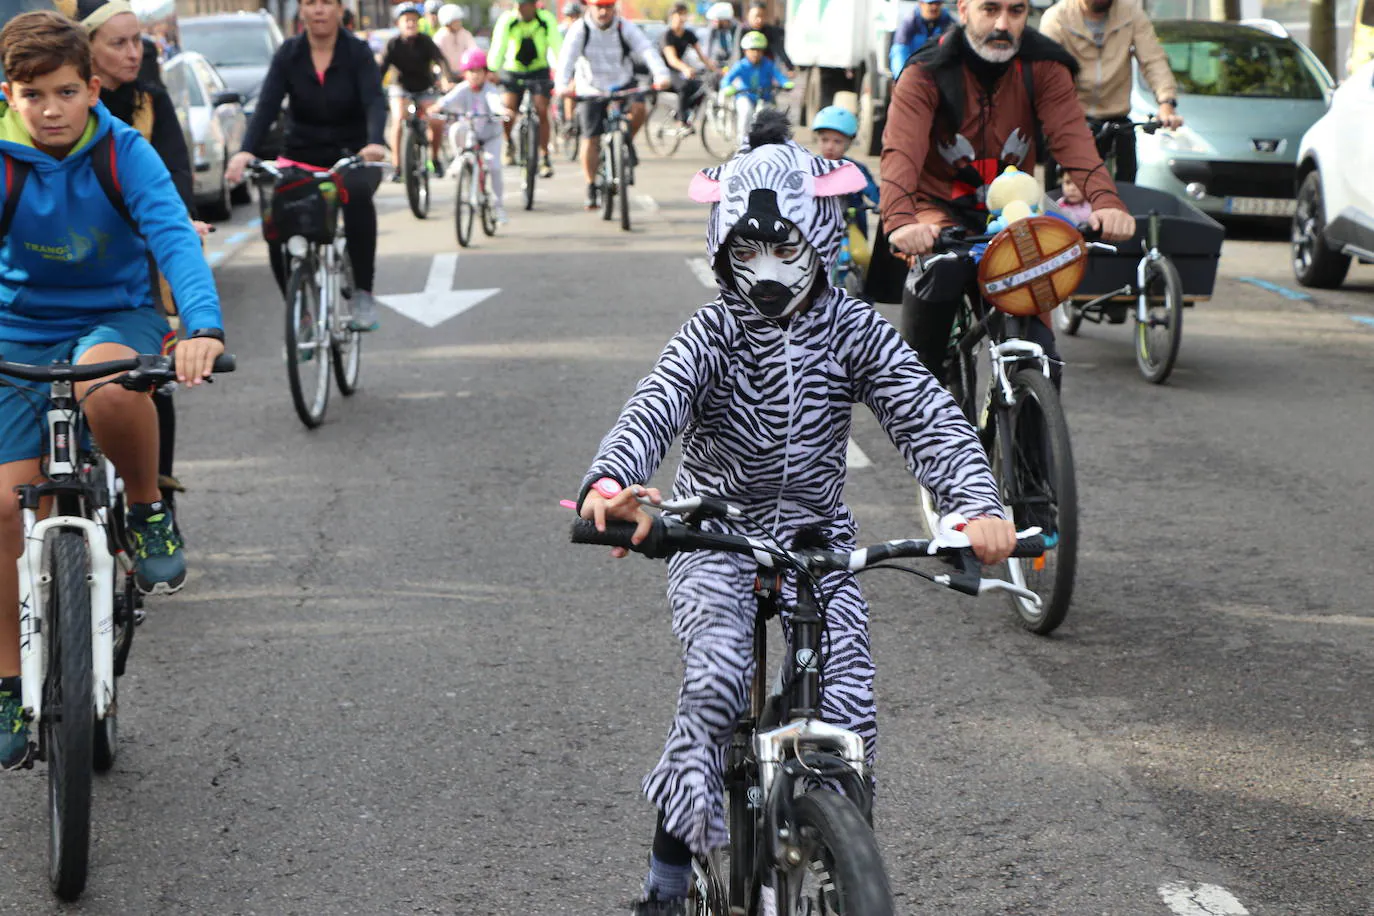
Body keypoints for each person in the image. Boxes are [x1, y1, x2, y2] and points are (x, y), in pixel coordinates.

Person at [575, 110, 1015, 916]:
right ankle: (666, 885)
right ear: (721, 247)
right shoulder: (712, 331)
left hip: (819, 546)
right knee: (714, 682)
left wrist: (977, 504)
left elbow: (925, 412)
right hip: (712, 534)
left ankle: (839, 868)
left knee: (852, 717)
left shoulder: (851, 328)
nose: (770, 267)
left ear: (818, 236)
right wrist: (612, 485)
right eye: (747, 249)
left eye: (787, 246)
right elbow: (655, 407)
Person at [0, 10, 226, 769]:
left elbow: (171, 237)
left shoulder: (125, 154)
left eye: (66, 91)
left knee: (110, 385)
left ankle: (144, 506)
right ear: (10, 95)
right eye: (33, 95)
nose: (52, 109)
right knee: (1, 509)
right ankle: (5, 678)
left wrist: (201, 326)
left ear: (93, 88)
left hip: (113, 315)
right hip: (17, 331)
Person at [879, 0, 1136, 387]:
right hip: (937, 209)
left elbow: (1073, 140)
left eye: (1016, 11)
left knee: (1042, 354)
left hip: (1012, 212)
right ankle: (922, 399)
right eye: (990, 9)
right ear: (964, 10)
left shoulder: (1045, 66)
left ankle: (1032, 424)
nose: (1003, 23)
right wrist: (899, 220)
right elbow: (901, 151)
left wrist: (1106, 201)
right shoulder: (925, 73)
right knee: (940, 275)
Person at [62, 0, 215, 522]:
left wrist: (184, 221)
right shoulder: (41, 125)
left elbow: (174, 178)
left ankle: (153, 500)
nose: (133, 54)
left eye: (137, 43)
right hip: (63, 268)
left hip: (139, 261)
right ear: (87, 53)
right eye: (118, 43)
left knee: (146, 378)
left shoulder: (149, 104)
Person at [225, 0, 390, 331]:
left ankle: (362, 293)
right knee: (275, 221)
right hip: (300, 154)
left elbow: (374, 99)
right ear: (300, 10)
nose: (319, 10)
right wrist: (245, 151)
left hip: (351, 155)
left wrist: (374, 141)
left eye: (327, 2)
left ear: (340, 8)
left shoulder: (356, 52)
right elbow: (268, 104)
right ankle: (299, 307)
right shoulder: (289, 53)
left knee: (357, 195)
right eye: (310, 3)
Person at [1038, 0, 1181, 184]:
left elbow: (1153, 60)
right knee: (1057, 192)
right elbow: (1048, 69)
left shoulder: (1131, 14)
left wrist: (1166, 103)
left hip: (1116, 118)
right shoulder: (1057, 17)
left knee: (1127, 185)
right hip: (1072, 116)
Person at [555, 0, 670, 211]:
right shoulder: (580, 29)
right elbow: (566, 58)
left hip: (622, 84)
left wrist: (661, 74)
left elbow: (646, 49)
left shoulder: (624, 26)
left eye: (608, 7)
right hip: (591, 88)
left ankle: (625, 142)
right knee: (590, 138)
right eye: (598, 7)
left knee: (639, 109)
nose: (603, 12)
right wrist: (562, 85)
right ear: (589, 7)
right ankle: (591, 185)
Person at [488, 0, 562, 177]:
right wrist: (491, 70)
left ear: (534, 5)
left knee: (542, 109)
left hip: (538, 70)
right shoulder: (507, 20)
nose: (521, 9)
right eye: (519, 6)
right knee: (508, 109)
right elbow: (498, 46)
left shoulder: (545, 19)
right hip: (514, 70)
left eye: (525, 5)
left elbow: (557, 45)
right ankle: (509, 144)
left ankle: (544, 156)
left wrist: (562, 71)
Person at [380, 2, 453, 179]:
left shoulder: (426, 41)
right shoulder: (392, 44)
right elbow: (380, 69)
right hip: (401, 89)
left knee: (436, 121)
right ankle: (397, 167)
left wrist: (445, 80)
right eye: (407, 20)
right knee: (398, 120)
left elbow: (441, 61)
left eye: (414, 20)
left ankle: (434, 159)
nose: (411, 24)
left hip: (424, 88)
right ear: (398, 23)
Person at [435, 48, 508, 223]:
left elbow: (495, 103)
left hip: (491, 136)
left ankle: (498, 208)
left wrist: (502, 111)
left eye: (479, 71)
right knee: (455, 129)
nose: (475, 76)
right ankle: (459, 158)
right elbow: (446, 101)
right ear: (465, 74)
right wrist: (436, 107)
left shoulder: (490, 90)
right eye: (471, 72)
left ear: (485, 73)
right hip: (471, 135)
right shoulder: (463, 89)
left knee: (494, 166)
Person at [811, 105, 879, 238]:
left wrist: (882, 204)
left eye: (837, 141)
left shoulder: (855, 169)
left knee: (861, 257)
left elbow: (872, 191)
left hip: (850, 226)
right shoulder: (811, 167)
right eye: (825, 140)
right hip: (818, 228)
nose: (830, 147)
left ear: (849, 142)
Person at [721, 30, 791, 145]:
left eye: (759, 50)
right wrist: (728, 87)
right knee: (746, 113)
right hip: (745, 96)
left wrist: (785, 83)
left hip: (765, 97)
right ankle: (742, 145)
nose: (755, 53)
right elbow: (726, 80)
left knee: (772, 120)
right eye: (752, 49)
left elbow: (779, 76)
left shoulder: (768, 64)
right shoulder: (741, 65)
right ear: (745, 51)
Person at [660, 2, 717, 128]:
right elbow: (672, 59)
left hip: (680, 69)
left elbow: (702, 56)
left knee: (701, 87)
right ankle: (680, 120)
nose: (682, 18)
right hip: (666, 70)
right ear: (672, 16)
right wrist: (685, 68)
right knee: (684, 86)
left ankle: (686, 113)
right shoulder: (667, 35)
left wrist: (714, 68)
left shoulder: (688, 34)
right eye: (679, 14)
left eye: (684, 14)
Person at [890, 0, 956, 79]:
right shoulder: (909, 23)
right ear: (921, 4)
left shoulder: (949, 23)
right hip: (914, 73)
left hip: (939, 74)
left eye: (937, 3)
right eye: (930, 3)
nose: (934, 7)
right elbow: (899, 52)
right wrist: (902, 77)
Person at [732, 0, 791, 74]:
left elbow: (779, 49)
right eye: (756, 16)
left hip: (766, 70)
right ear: (748, 15)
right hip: (747, 70)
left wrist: (789, 67)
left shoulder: (769, 30)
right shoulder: (742, 30)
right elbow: (737, 52)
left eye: (762, 16)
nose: (759, 20)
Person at [434, 4, 476, 74]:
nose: (459, 23)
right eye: (456, 21)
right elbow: (438, 58)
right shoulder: (440, 37)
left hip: (464, 73)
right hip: (445, 73)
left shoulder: (465, 34)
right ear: (448, 22)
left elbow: (473, 49)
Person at [699, 1, 736, 72]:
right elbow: (708, 47)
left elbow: (736, 50)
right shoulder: (713, 29)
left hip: (732, 62)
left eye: (717, 20)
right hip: (718, 62)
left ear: (724, 20)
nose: (714, 23)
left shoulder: (736, 28)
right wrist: (709, 61)